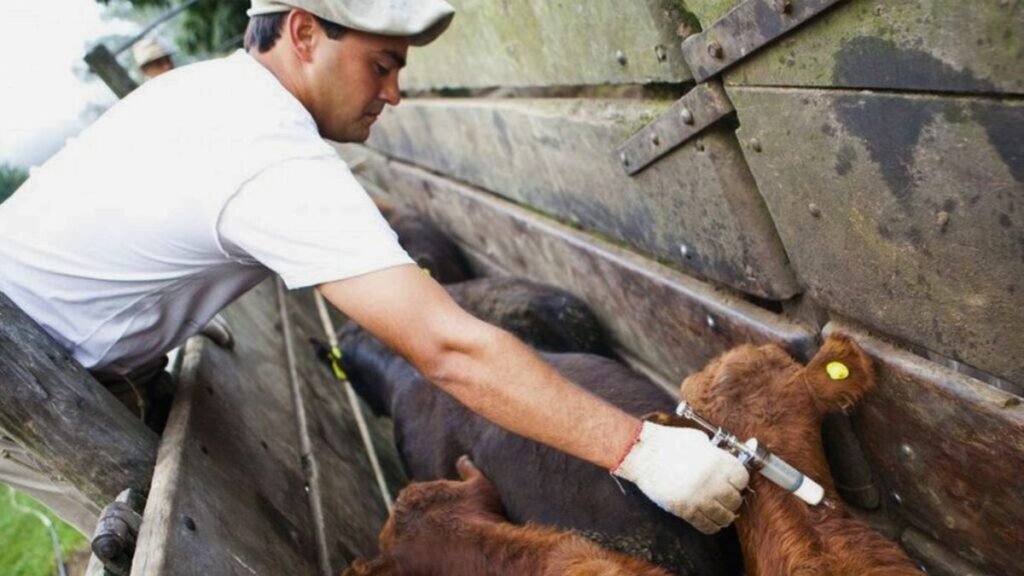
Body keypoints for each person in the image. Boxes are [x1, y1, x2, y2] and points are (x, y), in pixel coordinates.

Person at [0, 0, 748, 538]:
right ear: (303, 32)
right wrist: (640, 450)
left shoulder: (206, 92)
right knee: (141, 529)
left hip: (55, 339)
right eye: (381, 65)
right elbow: (448, 348)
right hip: (30, 392)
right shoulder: (266, 152)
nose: (393, 92)